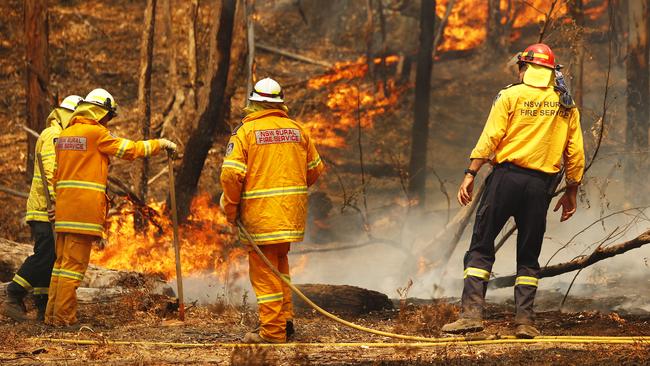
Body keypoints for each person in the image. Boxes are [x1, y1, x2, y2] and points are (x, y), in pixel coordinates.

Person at [441, 44, 585, 339]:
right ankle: (524, 322)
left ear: (525, 68)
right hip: (540, 187)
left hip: (506, 179)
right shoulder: (565, 103)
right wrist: (572, 190)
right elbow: (575, 151)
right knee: (529, 254)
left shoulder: (510, 95)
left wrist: (471, 172)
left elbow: (490, 136)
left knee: (481, 246)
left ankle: (470, 316)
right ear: (550, 72)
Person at [44, 88, 177, 327]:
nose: (108, 121)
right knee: (73, 269)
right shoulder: (96, 134)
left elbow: (55, 175)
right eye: (108, 116)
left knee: (61, 266)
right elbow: (130, 150)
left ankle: (52, 316)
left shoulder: (65, 135)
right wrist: (160, 144)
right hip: (82, 214)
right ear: (100, 112)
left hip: (65, 212)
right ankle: (64, 319)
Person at [220, 78, 325, 343]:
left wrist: (231, 207)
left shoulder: (245, 132)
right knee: (280, 269)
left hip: (261, 217)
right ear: (280, 103)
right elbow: (315, 170)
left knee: (265, 277)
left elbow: (232, 175)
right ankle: (285, 323)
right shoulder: (298, 130)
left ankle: (273, 332)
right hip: (289, 215)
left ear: (254, 103)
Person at [3, 95, 83, 321]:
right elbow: (51, 174)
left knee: (50, 258)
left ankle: (41, 306)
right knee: (45, 255)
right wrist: (58, 204)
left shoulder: (60, 136)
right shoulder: (54, 136)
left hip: (49, 209)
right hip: (44, 209)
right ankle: (13, 295)